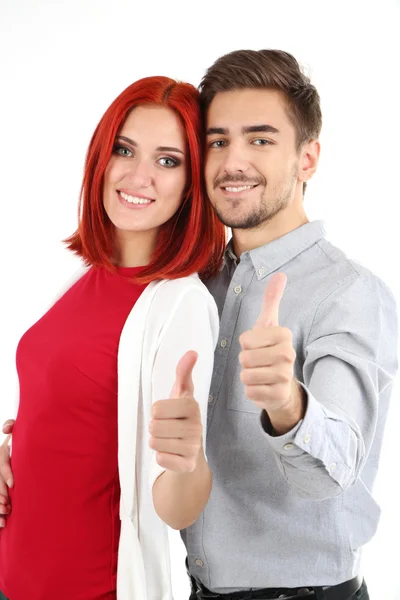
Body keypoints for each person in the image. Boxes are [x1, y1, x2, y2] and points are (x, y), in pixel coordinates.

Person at [1, 49, 398, 600]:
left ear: (307, 160)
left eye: (261, 139)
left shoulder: (348, 292)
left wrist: (288, 405)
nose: (234, 162)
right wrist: (21, 450)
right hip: (198, 589)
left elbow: (334, 472)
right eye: (218, 141)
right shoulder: (194, 283)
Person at [0, 75, 226, 600]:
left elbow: (175, 507)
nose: (138, 175)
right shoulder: (79, 277)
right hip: (14, 576)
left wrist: (187, 458)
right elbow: (60, 416)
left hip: (89, 588)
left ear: (192, 184)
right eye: (125, 150)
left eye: (168, 161)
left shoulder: (179, 303)